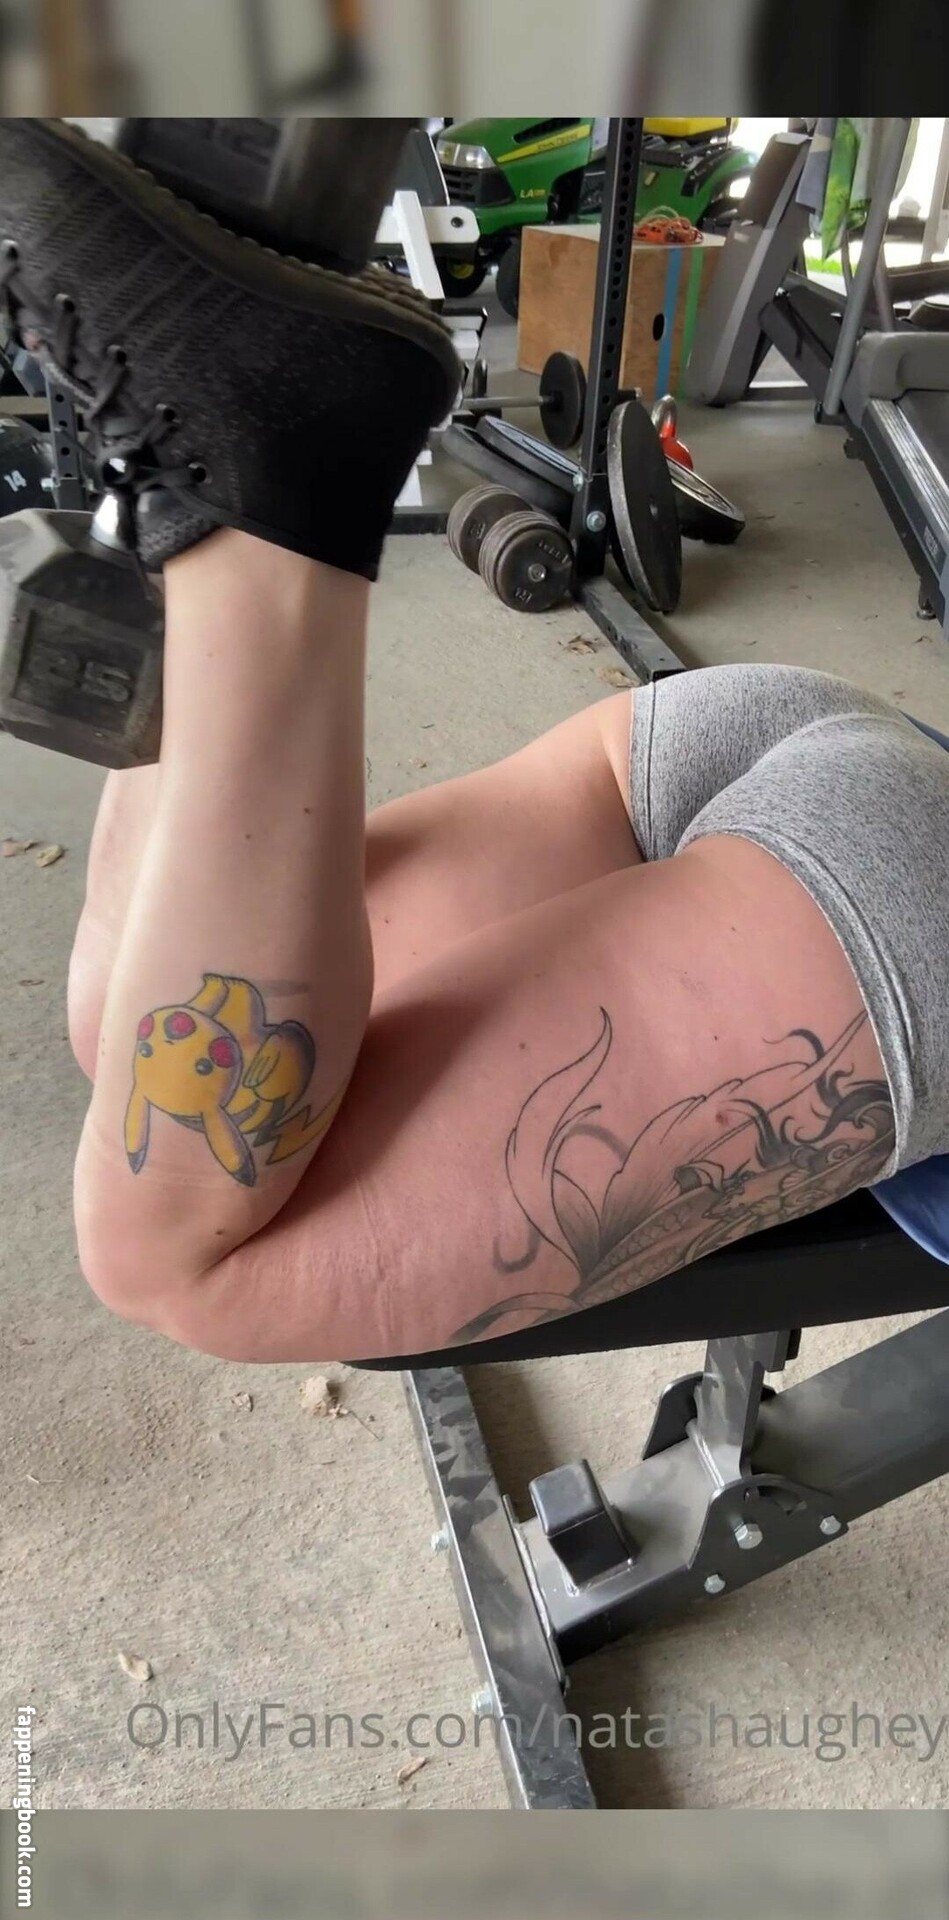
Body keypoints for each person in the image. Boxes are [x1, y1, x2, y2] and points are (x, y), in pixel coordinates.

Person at [3, 119, 949, 1367]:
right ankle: (246, 491)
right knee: (167, 1199)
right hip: (896, 884)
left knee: (149, 1116)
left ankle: (204, 482)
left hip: (789, 758)